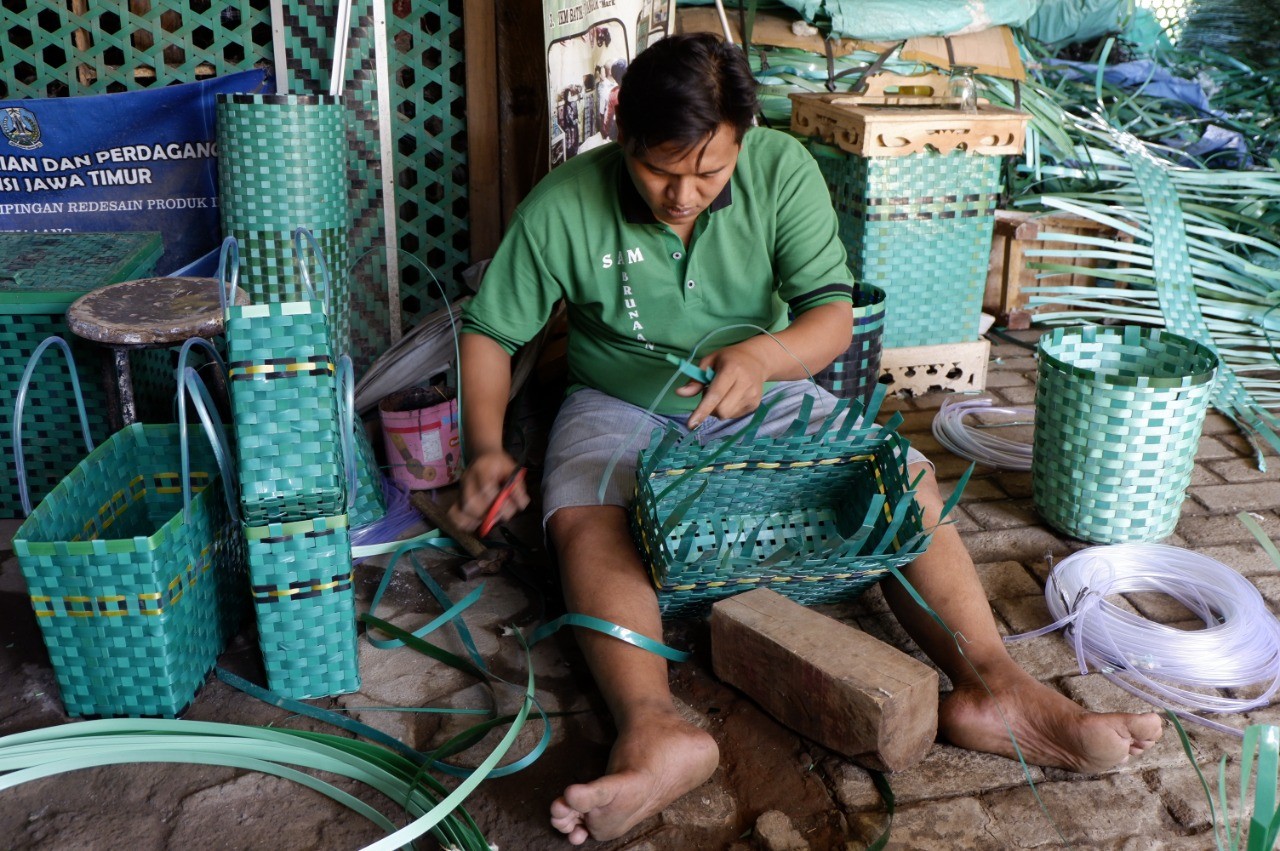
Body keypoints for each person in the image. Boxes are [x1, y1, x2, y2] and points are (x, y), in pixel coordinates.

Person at [448, 32, 1163, 847]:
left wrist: (762, 355)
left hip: (768, 383)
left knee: (902, 482)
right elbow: (489, 333)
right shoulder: (564, 203)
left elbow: (828, 318)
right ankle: (655, 726)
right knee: (585, 515)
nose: (682, 195)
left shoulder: (783, 171)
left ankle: (994, 684)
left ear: (743, 139)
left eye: (709, 171)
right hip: (620, 398)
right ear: (622, 136)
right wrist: (484, 447)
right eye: (659, 169)